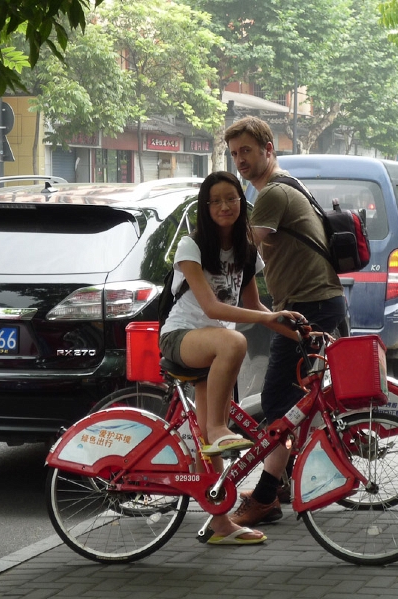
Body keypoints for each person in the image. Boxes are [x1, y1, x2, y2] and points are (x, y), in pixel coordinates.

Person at [159, 171, 304, 545]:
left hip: (213, 345)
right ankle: (221, 429)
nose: (225, 206)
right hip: (181, 338)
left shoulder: (245, 248)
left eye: (232, 199)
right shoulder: (192, 246)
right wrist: (268, 317)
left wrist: (300, 332)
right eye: (216, 200)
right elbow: (211, 306)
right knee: (234, 343)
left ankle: (220, 523)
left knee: (209, 442)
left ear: (242, 203)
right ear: (206, 208)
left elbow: (255, 305)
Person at [224, 116, 346, 527]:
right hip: (315, 303)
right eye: (235, 153)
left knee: (279, 405)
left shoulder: (273, 193)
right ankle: (278, 484)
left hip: (308, 307)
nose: (240, 159)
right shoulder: (283, 185)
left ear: (268, 150)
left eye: (247, 151)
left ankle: (264, 498)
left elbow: (242, 248)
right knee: (291, 404)